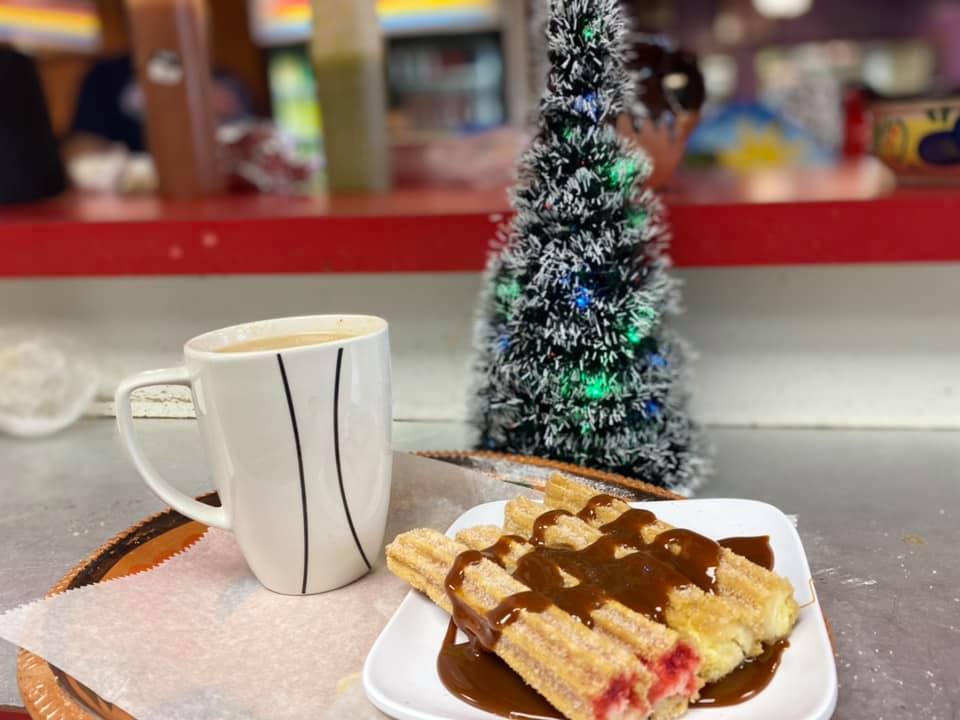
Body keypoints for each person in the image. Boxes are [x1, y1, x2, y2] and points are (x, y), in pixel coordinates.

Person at [64, 54, 252, 159]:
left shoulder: (219, 74)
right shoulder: (105, 76)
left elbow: (248, 142)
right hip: (129, 198)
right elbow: (81, 147)